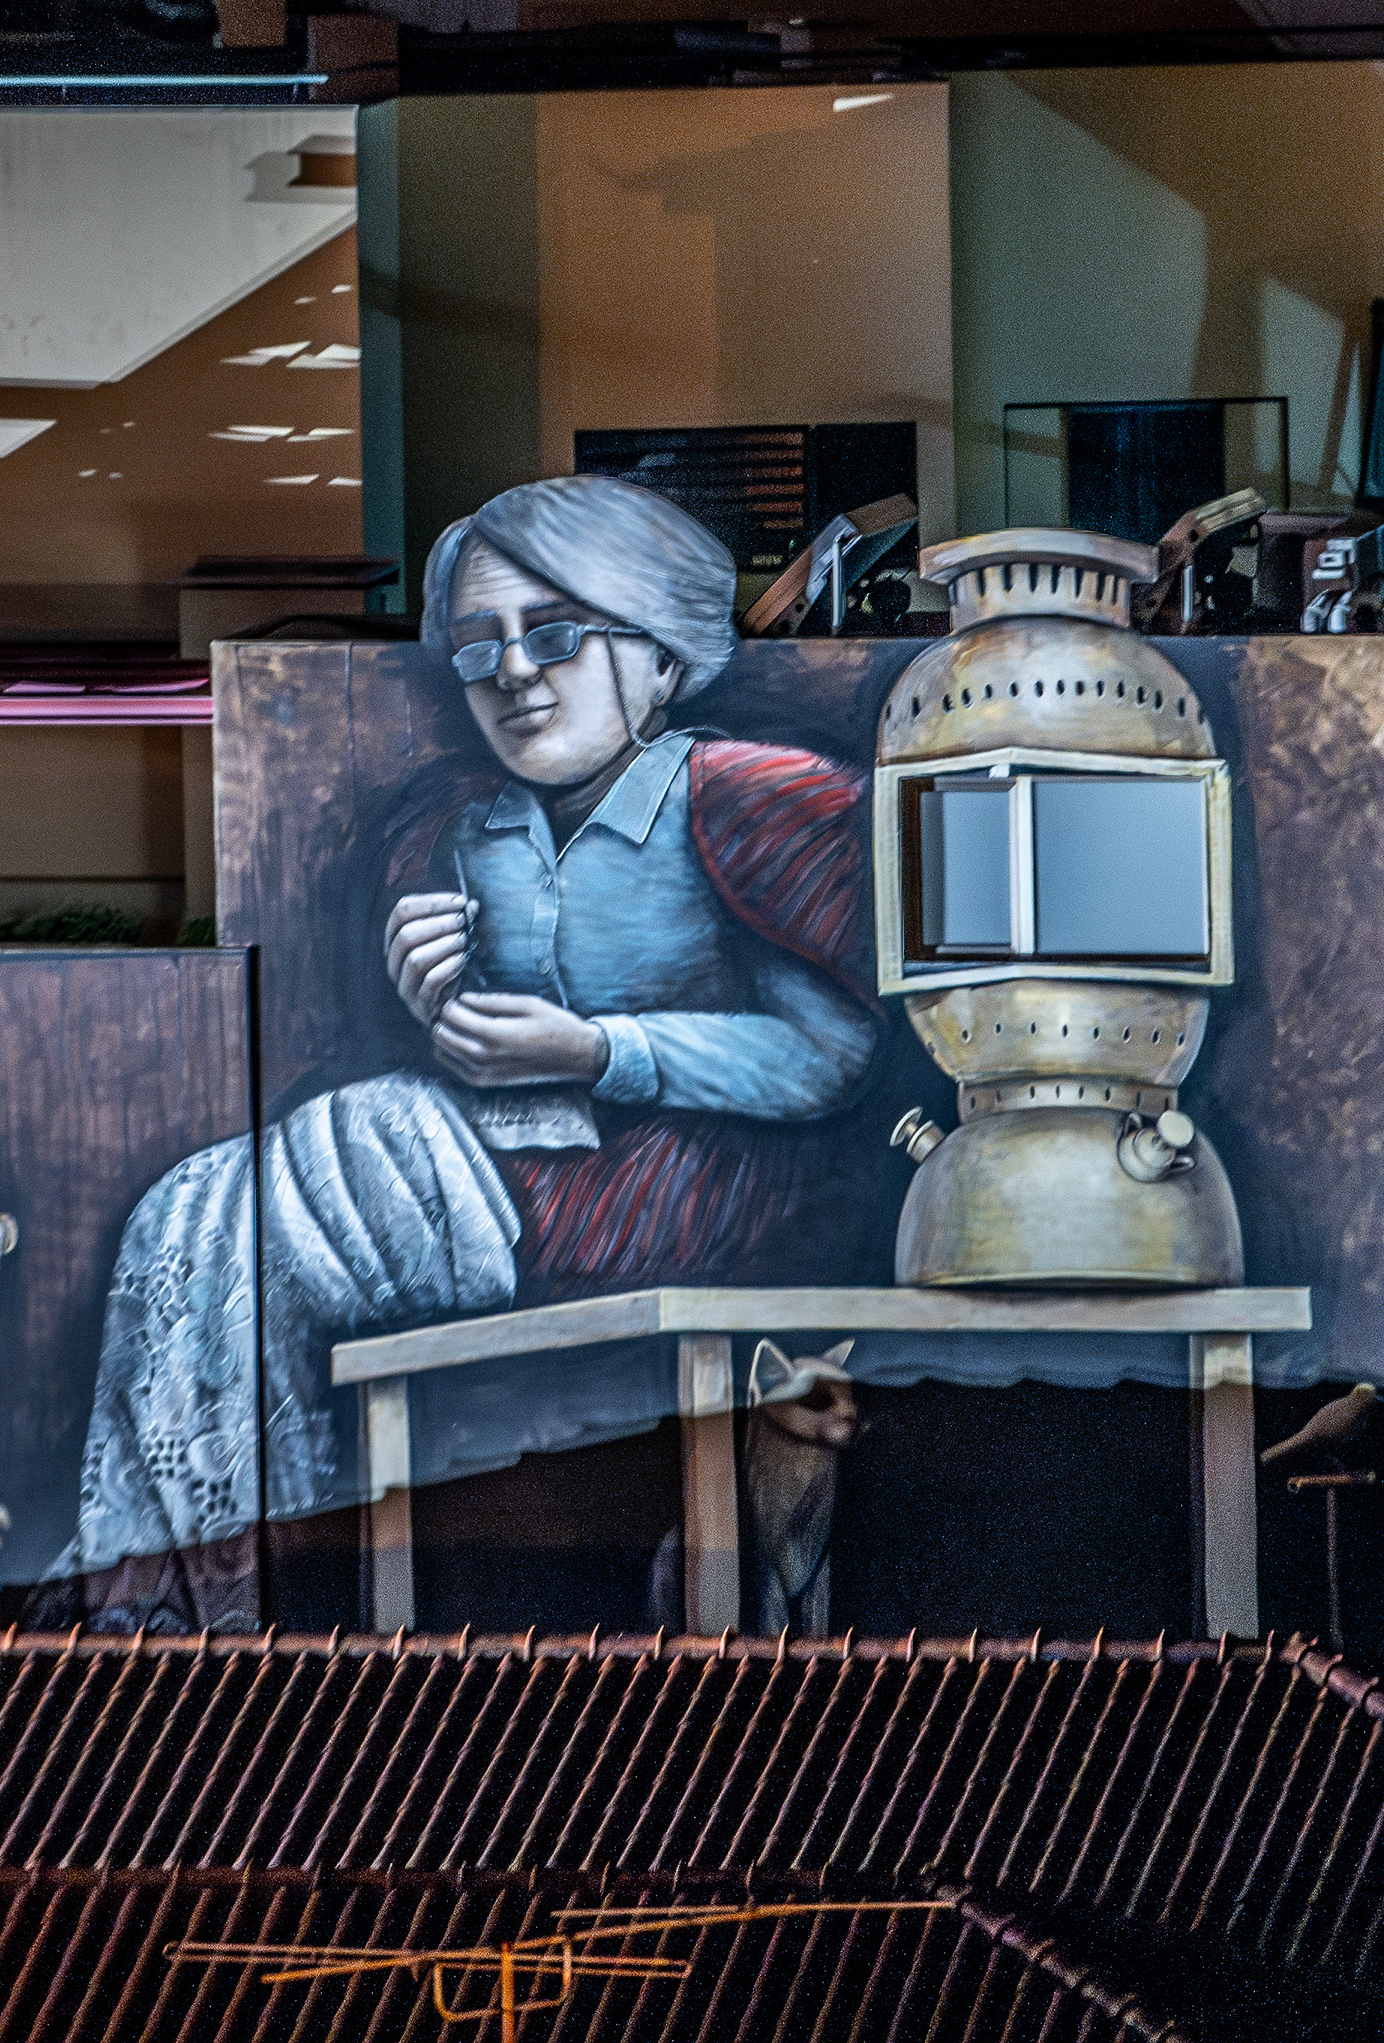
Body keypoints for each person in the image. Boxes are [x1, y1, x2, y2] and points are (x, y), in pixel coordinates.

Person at [64, 475, 880, 1621]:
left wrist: (599, 1050)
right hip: (501, 1175)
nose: (511, 674)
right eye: (476, 647)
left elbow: (830, 1059)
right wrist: (426, 1001)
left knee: (288, 1195)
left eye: (552, 635)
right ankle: (197, 1601)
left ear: (657, 655)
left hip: (675, 1191)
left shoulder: (743, 796)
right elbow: (457, 1053)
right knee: (189, 1211)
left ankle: (206, 1612)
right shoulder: (459, 821)